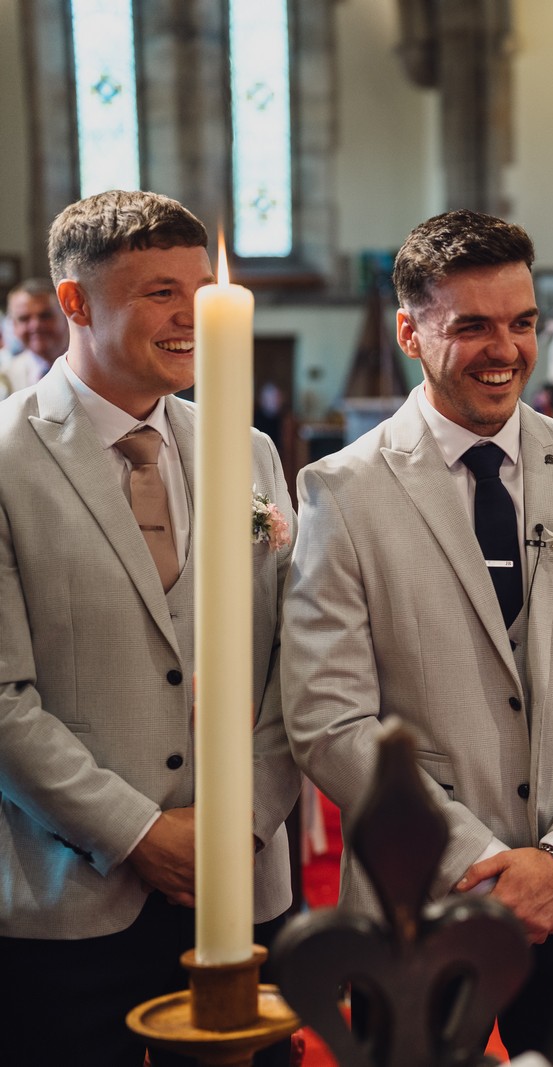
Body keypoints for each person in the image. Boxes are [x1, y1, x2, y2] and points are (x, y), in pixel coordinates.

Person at [282, 209, 553, 1058]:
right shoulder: (343, 492)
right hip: (418, 898)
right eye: (472, 327)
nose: (506, 350)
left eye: (522, 322)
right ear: (409, 333)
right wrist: (485, 861)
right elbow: (328, 719)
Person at [0, 190, 300, 1066]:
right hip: (70, 897)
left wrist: (243, 819)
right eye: (160, 292)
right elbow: (5, 698)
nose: (191, 315)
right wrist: (139, 833)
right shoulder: (8, 461)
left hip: (243, 886)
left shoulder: (248, 449)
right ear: (75, 302)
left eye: (201, 289)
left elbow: (294, 662)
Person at [0, 277, 70, 399]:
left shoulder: (91, 368)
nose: (35, 325)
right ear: (14, 326)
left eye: (45, 316)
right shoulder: (7, 379)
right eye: (24, 319)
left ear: (65, 317)